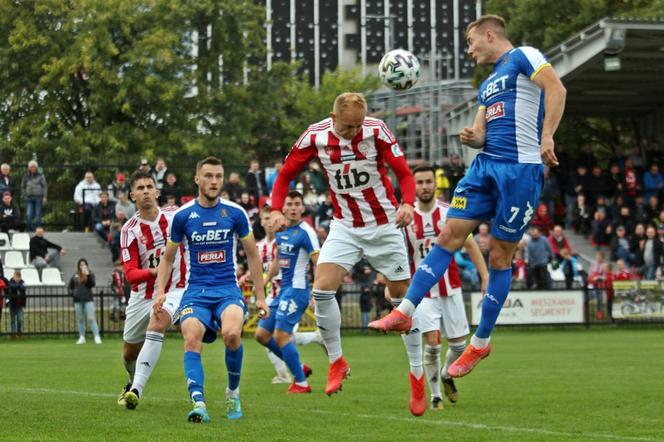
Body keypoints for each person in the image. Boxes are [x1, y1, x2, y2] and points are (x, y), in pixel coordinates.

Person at [370, 15, 566, 380]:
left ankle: (481, 341)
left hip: (520, 170)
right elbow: (481, 133)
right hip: (484, 167)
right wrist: (472, 137)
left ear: (489, 35)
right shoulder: (488, 84)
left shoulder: (525, 56)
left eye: (472, 42)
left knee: (499, 256)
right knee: (448, 235)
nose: (470, 50)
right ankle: (406, 309)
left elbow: (557, 89)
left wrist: (547, 136)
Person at [269, 92, 415, 395]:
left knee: (402, 303)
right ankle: (336, 361)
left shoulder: (376, 130)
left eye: (358, 125)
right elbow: (284, 177)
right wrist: (274, 208)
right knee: (321, 289)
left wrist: (408, 203)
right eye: (348, 127)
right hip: (345, 226)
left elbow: (403, 173)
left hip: (385, 224)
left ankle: (417, 376)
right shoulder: (315, 136)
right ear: (333, 118)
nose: (354, 132)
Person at [153, 156, 269, 423]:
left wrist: (260, 297)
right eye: (208, 176)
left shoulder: (235, 213)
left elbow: (253, 255)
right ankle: (199, 402)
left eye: (218, 176)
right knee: (191, 338)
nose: (214, 181)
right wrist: (161, 290)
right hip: (196, 291)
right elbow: (168, 256)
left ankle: (232, 392)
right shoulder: (183, 216)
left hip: (227, 289)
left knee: (231, 335)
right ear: (197, 179)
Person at [398, 164, 488, 415]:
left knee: (459, 347)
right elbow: (398, 253)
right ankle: (435, 395)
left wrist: (484, 276)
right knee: (433, 343)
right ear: (413, 185)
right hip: (423, 292)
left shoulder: (450, 212)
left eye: (429, 181)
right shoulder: (406, 216)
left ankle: (447, 375)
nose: (425, 186)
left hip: (451, 287)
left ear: (435, 184)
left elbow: (470, 246)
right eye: (420, 182)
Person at [117, 170, 189, 410]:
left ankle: (137, 389)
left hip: (176, 289)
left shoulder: (176, 215)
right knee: (128, 353)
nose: (146, 191)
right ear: (132, 195)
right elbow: (130, 274)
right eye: (140, 188)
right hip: (142, 295)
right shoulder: (130, 230)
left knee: (159, 321)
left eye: (149, 186)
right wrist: (155, 271)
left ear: (157, 191)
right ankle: (130, 381)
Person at [255, 191, 320, 393]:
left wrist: (316, 293)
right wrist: (265, 280)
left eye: (297, 204)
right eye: (289, 204)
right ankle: (299, 367)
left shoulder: (306, 232)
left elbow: (319, 263)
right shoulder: (280, 231)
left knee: (282, 335)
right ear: (282, 208)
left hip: (298, 291)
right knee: (261, 335)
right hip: (283, 290)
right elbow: (277, 259)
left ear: (302, 208)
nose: (293, 208)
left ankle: (301, 382)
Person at [255, 206, 291, 384]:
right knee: (264, 335)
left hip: (286, 292)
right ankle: (283, 374)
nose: (269, 221)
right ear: (261, 222)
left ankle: (316, 337)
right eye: (266, 218)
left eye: (271, 218)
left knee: (278, 335)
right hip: (270, 295)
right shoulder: (259, 246)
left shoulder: (284, 240)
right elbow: (256, 268)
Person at [69, 258, 101, 344]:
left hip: (88, 299)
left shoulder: (90, 274)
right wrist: (73, 294)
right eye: (81, 265)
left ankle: (96, 336)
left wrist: (88, 275)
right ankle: (82, 337)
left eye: (84, 264)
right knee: (80, 319)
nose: (82, 266)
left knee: (91, 318)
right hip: (78, 300)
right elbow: (70, 287)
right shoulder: (75, 276)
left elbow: (92, 284)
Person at [21, 160, 48, 231]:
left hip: (38, 197)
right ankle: (30, 229)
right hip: (28, 197)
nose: (32, 168)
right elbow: (22, 186)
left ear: (36, 168)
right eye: (31, 167)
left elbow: (45, 186)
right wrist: (25, 194)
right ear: (29, 168)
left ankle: (37, 230)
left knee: (38, 214)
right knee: (28, 214)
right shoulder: (26, 176)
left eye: (34, 167)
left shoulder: (41, 175)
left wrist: (45, 196)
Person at [7, 270, 26, 338]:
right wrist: (18, 286)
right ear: (13, 277)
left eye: (19, 277)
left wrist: (17, 286)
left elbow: (24, 288)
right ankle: (13, 334)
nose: (17, 279)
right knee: (12, 320)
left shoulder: (23, 282)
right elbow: (12, 286)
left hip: (20, 305)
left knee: (20, 319)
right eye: (16, 277)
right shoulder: (10, 282)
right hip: (12, 304)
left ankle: (19, 331)